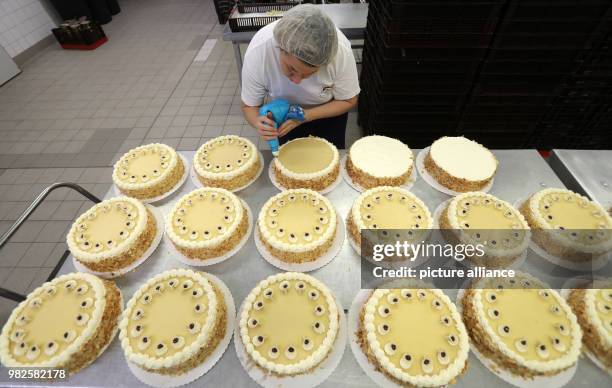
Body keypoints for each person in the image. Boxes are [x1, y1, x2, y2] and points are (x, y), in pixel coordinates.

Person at [240, 4, 360, 149]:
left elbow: (348, 100)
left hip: (328, 114)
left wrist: (306, 115)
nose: (296, 81)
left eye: (309, 74)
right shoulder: (259, 53)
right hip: (284, 118)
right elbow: (249, 106)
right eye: (291, 69)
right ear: (280, 48)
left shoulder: (340, 53)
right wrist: (258, 122)